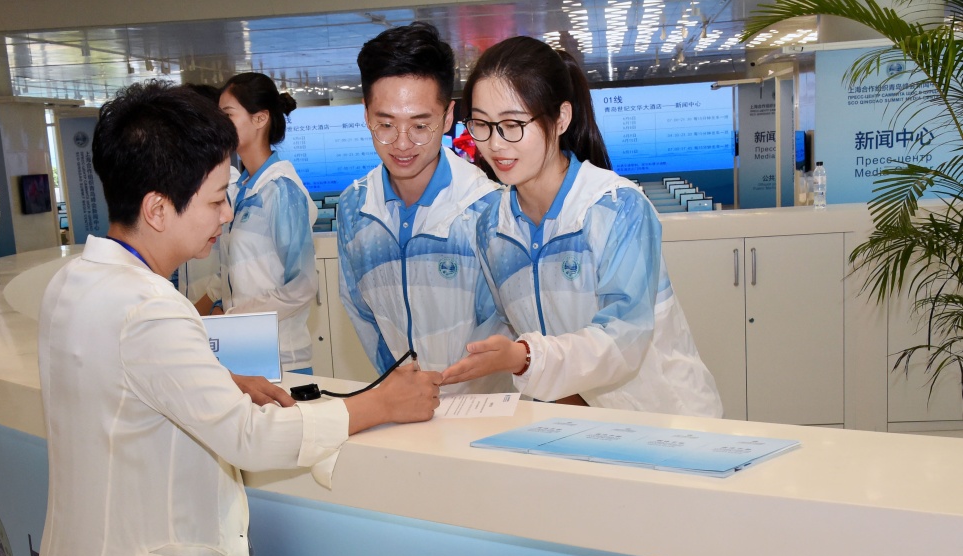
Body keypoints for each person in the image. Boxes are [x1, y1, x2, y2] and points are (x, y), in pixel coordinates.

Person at [29, 80, 441, 556]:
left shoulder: (77, 283)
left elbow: (124, 388)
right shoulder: (151, 310)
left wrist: (213, 380)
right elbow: (249, 438)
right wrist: (374, 405)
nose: (226, 215)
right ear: (157, 209)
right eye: (217, 199)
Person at [442, 37, 722, 416]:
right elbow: (510, 327)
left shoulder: (615, 207)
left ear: (561, 118)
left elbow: (624, 338)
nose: (495, 143)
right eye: (481, 124)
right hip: (581, 422)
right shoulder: (492, 227)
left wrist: (525, 357)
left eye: (512, 124)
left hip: (666, 420)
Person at [337, 22, 511, 393]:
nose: (402, 143)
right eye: (386, 124)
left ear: (447, 117)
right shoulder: (355, 208)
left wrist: (449, 392)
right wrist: (400, 386)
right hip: (401, 405)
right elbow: (361, 312)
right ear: (366, 115)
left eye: (420, 126)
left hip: (482, 408)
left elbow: (501, 323)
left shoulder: (486, 208)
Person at [193, 72, 319, 374]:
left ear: (260, 118)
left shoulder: (280, 189)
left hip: (282, 357)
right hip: (244, 349)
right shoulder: (243, 189)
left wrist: (234, 316)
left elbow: (302, 285)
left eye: (228, 115)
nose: (220, 125)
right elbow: (239, 273)